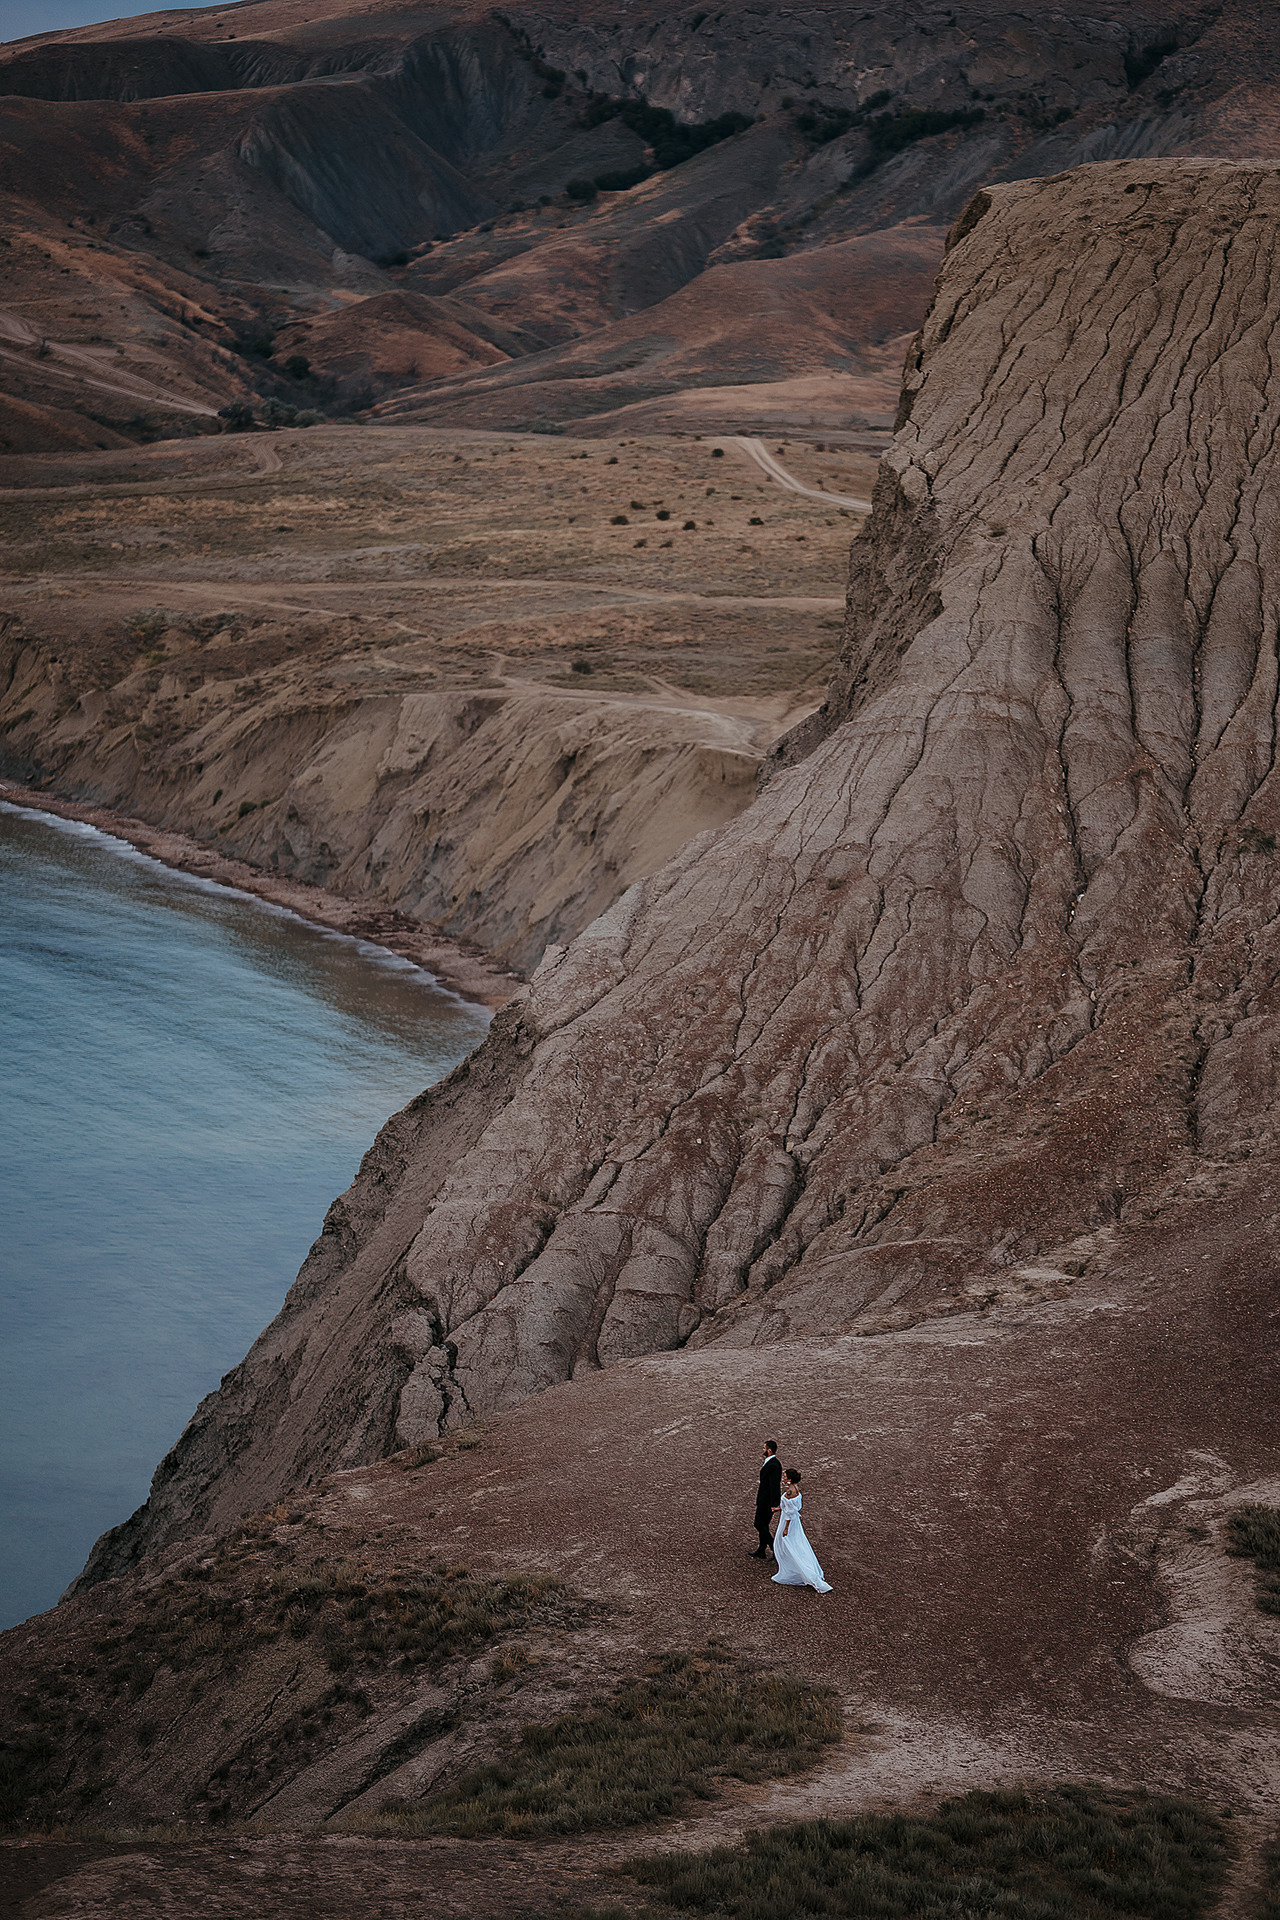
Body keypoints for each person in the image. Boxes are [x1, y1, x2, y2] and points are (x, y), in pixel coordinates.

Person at [771, 1469, 832, 1591]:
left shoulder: (790, 1492)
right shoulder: (795, 1488)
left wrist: (786, 1528)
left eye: (785, 1476)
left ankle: (803, 1571)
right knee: (796, 1543)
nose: (783, 1477)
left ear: (789, 1479)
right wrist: (779, 1509)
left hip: (788, 1522)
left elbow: (790, 1513)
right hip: (794, 1522)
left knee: (789, 1543)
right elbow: (791, 1507)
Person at [750, 1440, 783, 1560]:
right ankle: (761, 1550)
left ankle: (774, 1548)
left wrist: (774, 1503)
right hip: (766, 1500)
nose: (763, 1450)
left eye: (764, 1448)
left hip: (766, 1501)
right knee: (763, 1525)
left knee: (759, 1524)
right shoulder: (773, 1463)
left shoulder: (773, 1465)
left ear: (769, 1450)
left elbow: (774, 1486)